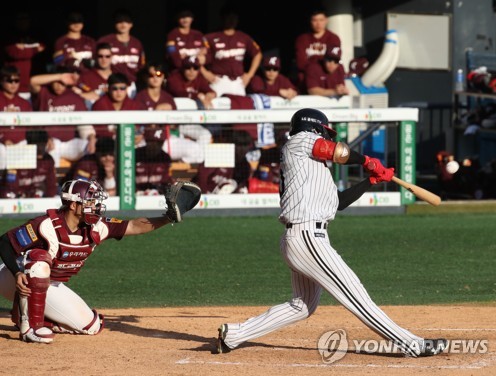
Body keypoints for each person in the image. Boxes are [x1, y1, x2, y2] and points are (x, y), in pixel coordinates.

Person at [216, 108, 449, 357]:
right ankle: (412, 345)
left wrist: (370, 181)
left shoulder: (311, 167)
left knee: (302, 306)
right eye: (324, 133)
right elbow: (339, 151)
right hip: (306, 237)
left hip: (303, 237)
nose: (326, 137)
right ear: (315, 129)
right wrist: (367, 161)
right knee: (356, 295)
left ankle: (234, 334)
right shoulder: (300, 140)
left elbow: (337, 202)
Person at [0, 178, 199, 343]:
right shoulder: (44, 225)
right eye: (90, 201)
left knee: (91, 326)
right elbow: (5, 242)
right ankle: (30, 328)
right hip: (15, 278)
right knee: (39, 260)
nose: (96, 206)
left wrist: (168, 218)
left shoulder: (97, 227)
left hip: (49, 285)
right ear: (73, 204)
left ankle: (22, 313)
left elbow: (135, 226)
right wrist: (16, 273)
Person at [30, 66, 95, 167]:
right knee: (51, 153)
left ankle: (82, 181)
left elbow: (84, 125)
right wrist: (60, 77)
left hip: (70, 143)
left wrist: (91, 138)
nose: (59, 86)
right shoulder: (43, 92)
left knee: (89, 148)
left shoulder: (74, 97)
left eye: (62, 83)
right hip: (50, 143)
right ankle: (52, 182)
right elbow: (32, 81)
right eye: (57, 82)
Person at [200, 5, 262, 97]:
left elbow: (258, 54)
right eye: (229, 17)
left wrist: (249, 75)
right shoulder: (210, 38)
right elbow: (197, 57)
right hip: (218, 81)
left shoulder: (244, 37)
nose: (231, 20)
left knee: (241, 109)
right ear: (222, 18)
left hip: (238, 83)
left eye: (234, 17)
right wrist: (205, 73)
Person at [96, 8, 146, 98]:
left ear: (131, 24)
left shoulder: (137, 43)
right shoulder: (105, 41)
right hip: (110, 85)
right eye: (119, 21)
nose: (123, 24)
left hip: (131, 86)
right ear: (114, 24)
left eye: (126, 21)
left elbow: (141, 66)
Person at [294, 8, 341, 93]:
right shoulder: (302, 39)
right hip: (307, 78)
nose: (318, 23)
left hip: (327, 77)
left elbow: (334, 60)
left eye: (321, 20)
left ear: (326, 20)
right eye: (315, 20)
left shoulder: (333, 38)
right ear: (310, 21)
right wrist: (315, 67)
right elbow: (300, 63)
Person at [0, 129, 57, 199]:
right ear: (29, 143)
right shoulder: (16, 158)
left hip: (39, 200)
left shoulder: (48, 160)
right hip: (18, 201)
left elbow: (51, 190)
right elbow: (9, 190)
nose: (41, 147)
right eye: (37, 144)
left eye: (43, 143)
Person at [2, 12, 46, 100]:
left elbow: (43, 47)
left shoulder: (36, 34)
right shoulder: (9, 36)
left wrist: (24, 48)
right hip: (14, 87)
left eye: (25, 19)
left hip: (33, 86)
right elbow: (14, 53)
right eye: (20, 19)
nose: (23, 22)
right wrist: (34, 49)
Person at [0, 65, 33, 169]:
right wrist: (3, 139)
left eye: (16, 80)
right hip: (1, 144)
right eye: (9, 80)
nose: (13, 84)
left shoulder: (25, 103)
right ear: (1, 81)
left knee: (30, 149)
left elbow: (31, 127)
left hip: (21, 143)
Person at [91, 73, 141, 139]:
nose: (118, 92)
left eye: (122, 88)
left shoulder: (134, 105)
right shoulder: (99, 105)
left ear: (127, 88)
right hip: (106, 143)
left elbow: (137, 128)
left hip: (129, 141)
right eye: (114, 88)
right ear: (108, 89)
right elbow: (99, 130)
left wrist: (137, 135)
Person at [135, 125, 174, 196]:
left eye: (159, 143)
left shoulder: (165, 158)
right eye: (152, 142)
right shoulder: (135, 154)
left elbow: (166, 182)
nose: (155, 146)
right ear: (147, 141)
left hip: (157, 196)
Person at [165, 8, 206, 74]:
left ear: (192, 19)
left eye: (188, 16)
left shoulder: (199, 34)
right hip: (179, 72)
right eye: (182, 17)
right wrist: (195, 57)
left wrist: (203, 58)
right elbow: (173, 56)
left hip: (198, 72)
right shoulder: (172, 35)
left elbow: (207, 54)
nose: (185, 20)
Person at [76, 42, 114, 109]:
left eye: (107, 56)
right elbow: (73, 94)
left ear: (112, 57)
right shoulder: (85, 76)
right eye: (100, 56)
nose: (104, 59)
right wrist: (84, 95)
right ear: (95, 57)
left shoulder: (118, 76)